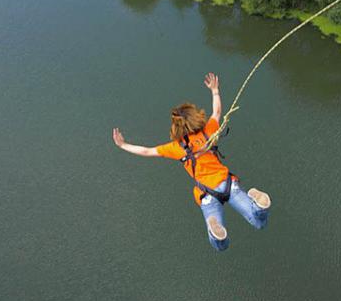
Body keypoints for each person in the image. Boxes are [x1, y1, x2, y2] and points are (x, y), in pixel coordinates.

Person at [112, 73, 271, 251]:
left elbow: (147, 151)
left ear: (176, 127)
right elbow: (217, 112)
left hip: (207, 194)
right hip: (228, 184)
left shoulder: (177, 147)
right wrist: (215, 91)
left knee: (220, 245)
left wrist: (123, 144)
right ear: (195, 117)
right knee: (258, 222)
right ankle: (257, 203)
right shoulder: (208, 131)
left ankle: (215, 229)